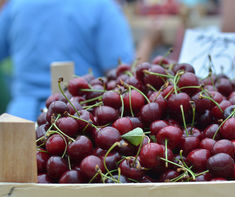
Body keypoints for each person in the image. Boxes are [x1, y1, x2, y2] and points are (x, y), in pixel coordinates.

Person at [0, 0, 135, 121]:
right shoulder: (102, 6)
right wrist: (148, 42)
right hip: (78, 120)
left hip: (20, 120)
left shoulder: (18, 4)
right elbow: (122, 75)